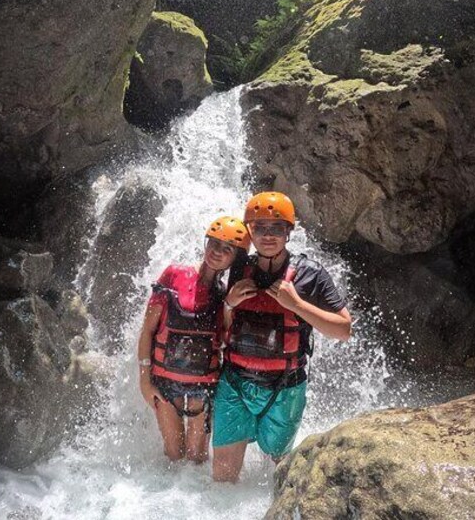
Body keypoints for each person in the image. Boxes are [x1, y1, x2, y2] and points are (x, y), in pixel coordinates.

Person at [212, 192, 352, 482]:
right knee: (222, 480)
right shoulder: (238, 268)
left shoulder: (311, 274)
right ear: (250, 231)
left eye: (276, 228)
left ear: (289, 231)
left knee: (278, 473)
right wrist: (229, 303)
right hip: (235, 383)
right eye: (260, 228)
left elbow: (343, 330)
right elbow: (219, 329)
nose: (267, 235)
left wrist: (298, 305)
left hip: (285, 389)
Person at [137, 215, 250, 463]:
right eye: (214, 243)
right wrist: (145, 381)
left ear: (235, 259)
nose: (217, 252)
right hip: (165, 380)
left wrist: (230, 305)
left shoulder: (229, 294)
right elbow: (147, 331)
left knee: (197, 458)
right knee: (174, 455)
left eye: (226, 249)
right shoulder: (174, 275)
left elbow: (227, 338)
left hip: (205, 385)